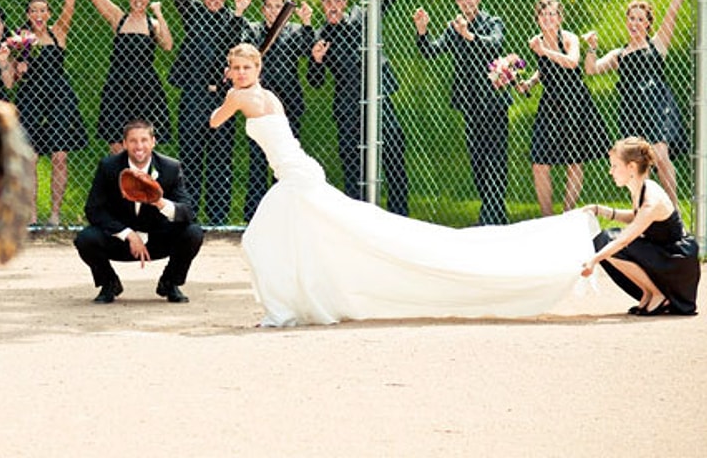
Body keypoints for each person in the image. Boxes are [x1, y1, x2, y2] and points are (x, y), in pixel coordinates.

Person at [210, 44, 598, 327]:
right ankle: (298, 302)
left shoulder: (239, 95)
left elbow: (214, 121)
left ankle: (283, 309)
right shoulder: (263, 93)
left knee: (258, 239)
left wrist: (220, 88)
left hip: (298, 179)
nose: (241, 72)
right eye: (236, 67)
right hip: (299, 174)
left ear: (257, 68)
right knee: (301, 239)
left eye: (246, 67)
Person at [308, 0, 408, 214]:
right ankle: (360, 216)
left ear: (345, 2)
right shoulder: (321, 36)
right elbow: (315, 81)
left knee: (393, 152)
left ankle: (399, 214)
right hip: (348, 105)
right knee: (352, 161)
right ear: (322, 6)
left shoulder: (362, 17)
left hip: (377, 98)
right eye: (327, 1)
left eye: (337, 0)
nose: (333, 6)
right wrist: (316, 61)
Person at [582, 0, 692, 210]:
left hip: (657, 105)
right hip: (632, 109)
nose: (635, 23)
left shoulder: (657, 45)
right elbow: (591, 68)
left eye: (640, 19)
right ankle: (644, 215)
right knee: (639, 167)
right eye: (631, 18)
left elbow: (673, 11)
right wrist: (591, 46)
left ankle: (672, 213)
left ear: (648, 23)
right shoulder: (619, 54)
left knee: (661, 157)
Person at [74, 119, 204, 304]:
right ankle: (109, 283)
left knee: (193, 233)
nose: (139, 146)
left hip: (157, 238)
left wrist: (158, 201)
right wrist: (127, 234)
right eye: (133, 141)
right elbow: (93, 210)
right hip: (121, 241)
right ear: (125, 144)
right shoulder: (109, 167)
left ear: (153, 142)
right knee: (85, 239)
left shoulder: (170, 168)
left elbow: (187, 212)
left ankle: (170, 283)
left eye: (144, 140)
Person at [413, 0, 510, 224]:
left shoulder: (493, 22)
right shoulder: (453, 27)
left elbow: (495, 44)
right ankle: (495, 213)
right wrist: (422, 30)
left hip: (493, 101)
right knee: (477, 160)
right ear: (457, 1)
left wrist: (470, 36)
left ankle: (490, 216)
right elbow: (430, 51)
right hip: (470, 102)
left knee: (495, 158)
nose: (468, 2)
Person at [169, 0, 249, 224]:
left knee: (220, 158)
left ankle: (218, 220)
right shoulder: (193, 13)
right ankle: (187, 217)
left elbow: (236, 49)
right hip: (194, 94)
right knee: (190, 157)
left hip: (223, 97)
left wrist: (238, 14)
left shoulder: (234, 18)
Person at [581, 137, 699, 316]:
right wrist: (601, 210)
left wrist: (593, 260)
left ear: (631, 167)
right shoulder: (639, 188)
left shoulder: (651, 198)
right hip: (661, 254)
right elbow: (637, 218)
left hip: (675, 262)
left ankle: (658, 294)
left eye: (614, 166)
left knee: (608, 242)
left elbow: (625, 239)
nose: (610, 171)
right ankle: (650, 292)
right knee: (604, 240)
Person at [13, 0, 89, 226]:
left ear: (48, 14)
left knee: (59, 157)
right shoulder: (21, 40)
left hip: (59, 97)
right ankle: (31, 213)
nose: (38, 15)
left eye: (42, 10)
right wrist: (17, 67)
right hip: (32, 98)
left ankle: (55, 215)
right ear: (28, 15)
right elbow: (12, 75)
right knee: (31, 157)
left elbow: (71, 3)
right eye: (33, 11)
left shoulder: (59, 31)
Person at [518, 0, 609, 215]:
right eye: (543, 14)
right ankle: (548, 218)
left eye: (552, 14)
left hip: (573, 102)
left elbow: (572, 61)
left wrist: (544, 52)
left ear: (560, 18)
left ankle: (568, 214)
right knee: (539, 162)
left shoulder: (569, 38)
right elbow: (545, 68)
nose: (548, 18)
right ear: (537, 19)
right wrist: (529, 82)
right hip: (550, 103)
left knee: (574, 160)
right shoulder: (536, 41)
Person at [88, 0, 174, 154]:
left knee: (142, 146)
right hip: (118, 84)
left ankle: (141, 184)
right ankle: (120, 184)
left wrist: (159, 14)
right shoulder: (119, 18)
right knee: (117, 145)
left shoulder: (152, 24)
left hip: (145, 87)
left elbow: (168, 45)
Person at [241, 0, 314, 221]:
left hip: (288, 104)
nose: (273, 11)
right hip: (259, 104)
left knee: (285, 160)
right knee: (257, 161)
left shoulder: (292, 30)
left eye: (278, 7)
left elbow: (307, 49)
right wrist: (239, 13)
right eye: (269, 7)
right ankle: (254, 215)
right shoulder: (253, 30)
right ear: (263, 10)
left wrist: (307, 23)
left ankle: (284, 214)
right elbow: (239, 47)